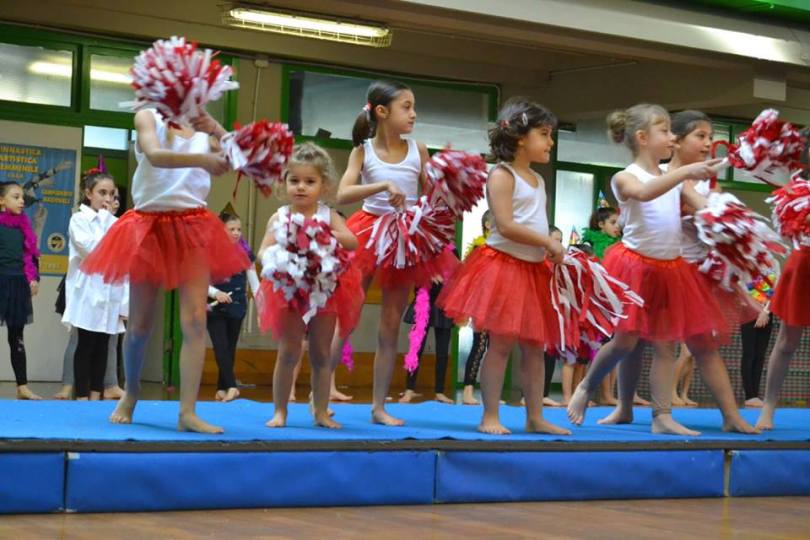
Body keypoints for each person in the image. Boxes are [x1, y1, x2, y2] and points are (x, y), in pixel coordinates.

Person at [567, 103, 757, 435]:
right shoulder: (625, 177)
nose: (671, 137)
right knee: (625, 342)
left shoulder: (673, 178)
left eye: (672, 131)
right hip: (635, 267)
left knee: (666, 343)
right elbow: (642, 193)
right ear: (642, 137)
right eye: (665, 131)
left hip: (670, 270)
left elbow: (702, 209)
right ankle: (585, 388)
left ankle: (662, 416)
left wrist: (731, 222)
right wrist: (683, 173)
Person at [82, 107, 249, 433]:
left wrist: (215, 127)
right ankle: (131, 392)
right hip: (148, 225)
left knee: (196, 320)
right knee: (141, 325)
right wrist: (203, 160)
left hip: (193, 225)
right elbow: (156, 155)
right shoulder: (147, 116)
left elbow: (237, 159)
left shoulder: (205, 125)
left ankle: (187, 412)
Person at [438, 97, 570, 436]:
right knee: (500, 345)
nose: (550, 142)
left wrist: (549, 248)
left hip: (532, 271)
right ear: (521, 137)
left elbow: (535, 224)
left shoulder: (538, 181)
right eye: (544, 134)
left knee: (535, 348)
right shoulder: (502, 174)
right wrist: (545, 241)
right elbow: (507, 225)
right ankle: (489, 415)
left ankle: (535, 416)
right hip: (503, 268)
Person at [331, 80, 457, 426]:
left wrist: (448, 194)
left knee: (389, 326)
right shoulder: (363, 151)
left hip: (406, 238)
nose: (413, 114)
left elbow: (433, 197)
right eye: (407, 107)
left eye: (414, 106)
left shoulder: (418, 149)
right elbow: (343, 194)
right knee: (348, 316)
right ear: (382, 112)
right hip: (369, 230)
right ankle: (319, 394)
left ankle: (378, 407)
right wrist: (383, 185)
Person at [257, 143, 362, 428]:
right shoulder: (280, 217)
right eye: (294, 181)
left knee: (321, 353)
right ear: (284, 183)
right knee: (289, 351)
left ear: (323, 185)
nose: (301, 187)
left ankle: (320, 412)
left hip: (324, 292)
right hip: (291, 292)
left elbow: (352, 241)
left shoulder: (329, 216)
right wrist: (277, 260)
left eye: (309, 181)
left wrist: (326, 236)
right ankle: (280, 411)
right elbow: (262, 250)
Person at [756, 127, 810, 430]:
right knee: (787, 341)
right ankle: (769, 406)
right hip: (803, 263)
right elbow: (789, 228)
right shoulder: (794, 189)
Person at [62, 169, 127, 400]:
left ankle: (95, 395)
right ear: (89, 193)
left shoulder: (117, 223)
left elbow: (124, 258)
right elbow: (91, 249)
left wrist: (125, 304)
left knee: (104, 345)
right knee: (86, 343)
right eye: (102, 192)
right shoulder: (79, 219)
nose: (107, 199)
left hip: (111, 292)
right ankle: (81, 396)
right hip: (88, 291)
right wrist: (105, 221)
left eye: (111, 193)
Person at [206, 212, 259, 402]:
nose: (236, 233)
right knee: (220, 347)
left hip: (237, 306)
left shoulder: (245, 252)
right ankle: (232, 386)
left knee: (230, 349)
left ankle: (222, 388)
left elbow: (254, 282)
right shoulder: (209, 251)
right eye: (231, 229)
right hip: (215, 307)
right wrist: (215, 293)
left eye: (239, 229)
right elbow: (200, 280)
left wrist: (262, 308)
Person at [0, 181, 41, 400]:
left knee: (17, 336)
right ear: (1, 201)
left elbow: (32, 255)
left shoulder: (25, 226)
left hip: (17, 285)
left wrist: (34, 279)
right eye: (16, 197)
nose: (22, 200)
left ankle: (22, 386)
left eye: (23, 197)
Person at [460, 210, 492, 406]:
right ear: (488, 225)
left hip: (499, 301)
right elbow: (471, 275)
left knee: (494, 348)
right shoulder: (480, 247)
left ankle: (489, 392)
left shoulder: (502, 247)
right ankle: (467, 391)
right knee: (479, 345)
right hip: (482, 301)